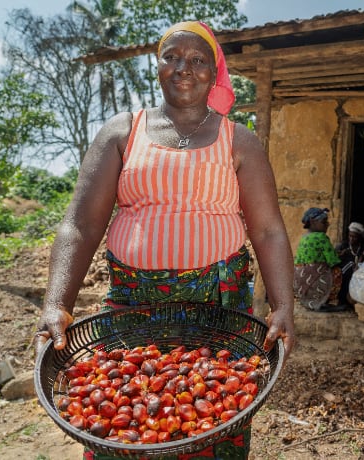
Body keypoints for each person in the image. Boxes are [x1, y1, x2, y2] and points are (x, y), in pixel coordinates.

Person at [33, 21, 295, 459]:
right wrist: (56, 303)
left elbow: (267, 229)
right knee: (124, 414)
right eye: (171, 56)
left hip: (218, 304)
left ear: (214, 73)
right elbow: (80, 224)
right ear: (156, 66)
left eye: (197, 60)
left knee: (213, 412)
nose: (183, 68)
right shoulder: (122, 131)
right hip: (134, 305)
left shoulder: (240, 141)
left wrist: (283, 306)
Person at [293, 207, 345, 312]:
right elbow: (333, 260)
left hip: (299, 280)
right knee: (337, 271)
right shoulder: (322, 237)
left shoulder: (304, 238)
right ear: (313, 222)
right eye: (324, 222)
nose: (327, 224)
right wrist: (341, 257)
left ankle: (310, 301)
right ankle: (323, 302)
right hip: (317, 280)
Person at [335, 222, 364, 307]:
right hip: (344, 271)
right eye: (350, 236)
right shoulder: (343, 246)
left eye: (354, 237)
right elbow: (335, 259)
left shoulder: (363, 248)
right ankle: (342, 300)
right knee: (347, 273)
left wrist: (360, 263)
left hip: (358, 270)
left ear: (359, 237)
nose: (351, 239)